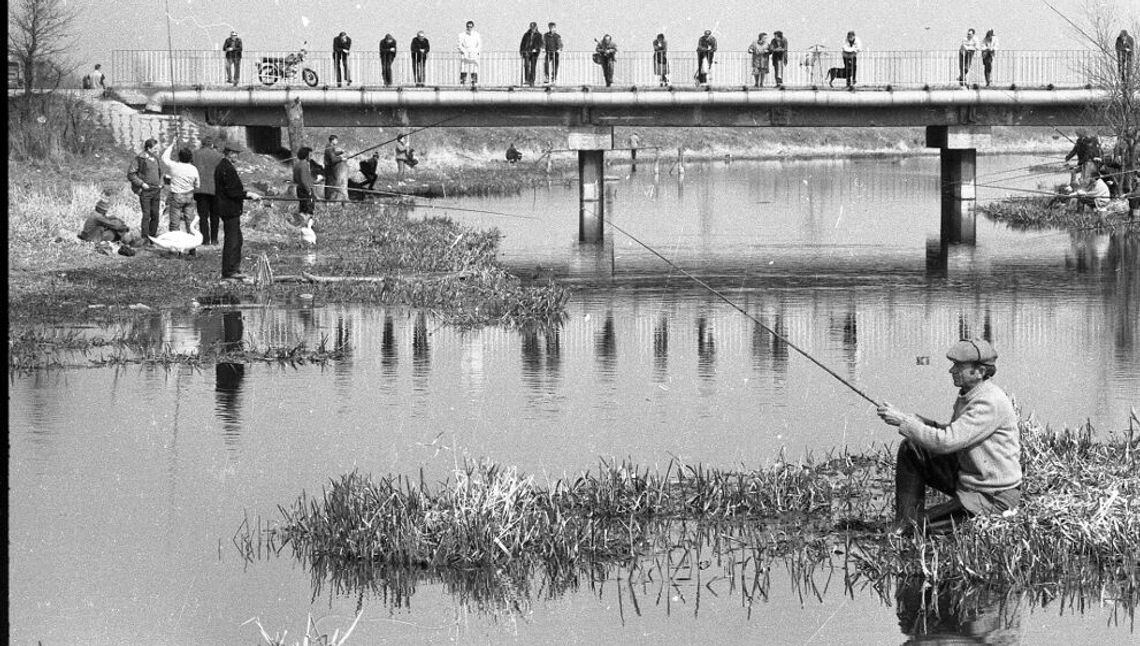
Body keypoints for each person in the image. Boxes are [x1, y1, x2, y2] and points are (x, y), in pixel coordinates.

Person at [876, 339, 1021, 535]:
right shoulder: (971, 393)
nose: (951, 370)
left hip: (992, 498)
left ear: (979, 372)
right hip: (971, 481)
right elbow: (958, 433)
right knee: (912, 448)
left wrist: (906, 423)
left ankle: (907, 528)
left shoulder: (988, 402)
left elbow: (946, 442)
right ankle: (903, 521)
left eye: (959, 366)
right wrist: (915, 421)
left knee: (915, 529)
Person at [214, 140, 261, 280]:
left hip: (228, 208)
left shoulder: (225, 166)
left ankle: (234, 268)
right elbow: (233, 191)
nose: (237, 157)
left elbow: (233, 189)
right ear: (229, 153)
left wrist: (246, 193)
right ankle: (229, 271)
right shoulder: (226, 168)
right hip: (229, 209)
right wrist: (249, 194)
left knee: (238, 239)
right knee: (232, 240)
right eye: (235, 154)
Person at [126, 137, 163, 242]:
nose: (157, 149)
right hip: (145, 191)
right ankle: (145, 238)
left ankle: (152, 238)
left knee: (155, 215)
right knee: (146, 215)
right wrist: (142, 184)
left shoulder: (156, 158)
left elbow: (158, 174)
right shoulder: (140, 158)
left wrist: (160, 184)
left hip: (156, 191)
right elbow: (130, 174)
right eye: (155, 148)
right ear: (149, 148)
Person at [161, 142, 201, 233]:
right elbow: (197, 185)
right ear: (190, 158)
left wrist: (172, 145)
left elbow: (164, 158)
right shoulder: (194, 169)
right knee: (190, 222)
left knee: (175, 223)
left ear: (179, 157)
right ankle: (191, 244)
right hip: (189, 196)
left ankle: (175, 242)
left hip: (177, 196)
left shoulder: (174, 166)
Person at [192, 137, 223, 246]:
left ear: (202, 144)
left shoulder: (195, 154)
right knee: (215, 215)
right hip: (215, 189)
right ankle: (214, 239)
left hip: (200, 189)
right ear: (212, 145)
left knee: (203, 216)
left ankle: (205, 240)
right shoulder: (218, 156)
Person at [293, 146, 316, 222]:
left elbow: (296, 179)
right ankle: (307, 224)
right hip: (305, 190)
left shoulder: (297, 164)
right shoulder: (304, 165)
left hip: (299, 189)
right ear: (306, 156)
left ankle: (302, 222)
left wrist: (313, 180)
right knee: (308, 207)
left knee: (303, 206)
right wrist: (309, 190)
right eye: (310, 155)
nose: (311, 157)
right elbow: (303, 179)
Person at [457, 21, 482, 87]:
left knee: (474, 68)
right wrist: (464, 51)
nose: (469, 28)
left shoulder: (477, 35)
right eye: (468, 26)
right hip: (465, 52)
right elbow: (459, 45)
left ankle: (474, 82)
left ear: (473, 27)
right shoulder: (462, 35)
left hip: (474, 53)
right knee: (463, 68)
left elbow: (479, 45)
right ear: (466, 27)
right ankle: (462, 82)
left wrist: (475, 51)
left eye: (470, 27)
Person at [322, 135, 347, 201]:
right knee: (330, 182)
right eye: (336, 140)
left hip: (328, 167)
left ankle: (329, 198)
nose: (337, 141)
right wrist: (341, 159)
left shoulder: (329, 146)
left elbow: (333, 154)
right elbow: (333, 160)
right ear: (332, 140)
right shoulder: (329, 147)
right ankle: (328, 198)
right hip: (329, 168)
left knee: (330, 182)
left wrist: (341, 152)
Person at [519, 22, 543, 86]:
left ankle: (532, 80)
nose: (533, 29)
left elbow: (540, 44)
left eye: (534, 28)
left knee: (533, 67)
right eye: (531, 27)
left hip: (534, 53)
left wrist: (536, 49)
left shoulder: (539, 35)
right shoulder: (526, 34)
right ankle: (527, 79)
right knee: (526, 65)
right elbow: (522, 43)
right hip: (527, 52)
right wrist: (521, 51)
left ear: (536, 27)